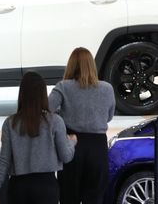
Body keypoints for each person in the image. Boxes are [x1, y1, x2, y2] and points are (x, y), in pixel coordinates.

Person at [0, 72, 76, 204]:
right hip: (46, 187)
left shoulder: (10, 123)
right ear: (43, 94)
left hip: (18, 187)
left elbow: (4, 160)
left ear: (22, 94)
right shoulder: (55, 121)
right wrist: (71, 142)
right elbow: (66, 156)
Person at [49, 47, 115, 204]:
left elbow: (45, 111)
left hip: (72, 144)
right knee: (95, 198)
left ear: (71, 65)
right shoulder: (107, 88)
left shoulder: (63, 87)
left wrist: (61, 116)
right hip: (98, 148)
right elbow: (109, 116)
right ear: (92, 65)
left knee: (68, 197)